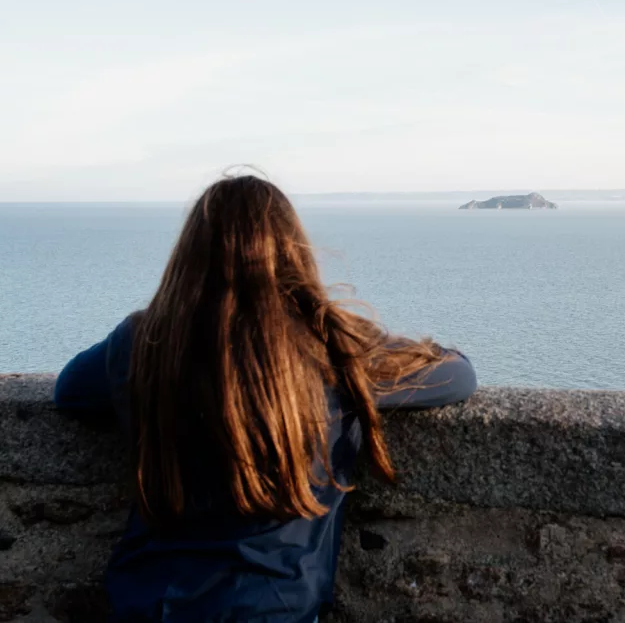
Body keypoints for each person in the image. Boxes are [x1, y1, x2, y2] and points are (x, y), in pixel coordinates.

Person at [53, 174, 476, 622]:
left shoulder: (143, 343)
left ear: (191, 255)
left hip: (149, 603)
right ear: (292, 251)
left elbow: (70, 391)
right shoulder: (331, 349)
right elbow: (458, 375)